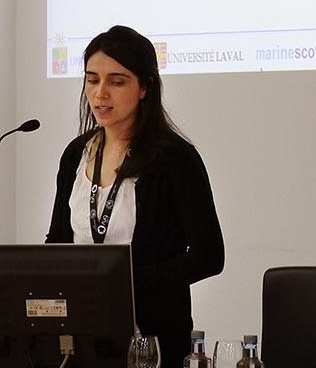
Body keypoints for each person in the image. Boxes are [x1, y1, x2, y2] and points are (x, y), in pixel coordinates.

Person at [46, 25, 224, 368]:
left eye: (117, 81)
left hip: (152, 338)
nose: (100, 94)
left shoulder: (175, 159)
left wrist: (124, 281)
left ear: (144, 88)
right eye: (92, 79)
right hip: (80, 333)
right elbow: (58, 240)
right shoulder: (76, 154)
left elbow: (209, 255)